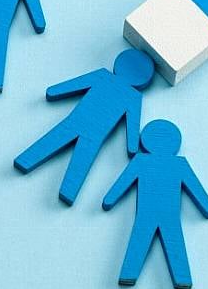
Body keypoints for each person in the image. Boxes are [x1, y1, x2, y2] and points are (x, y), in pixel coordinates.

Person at [14, 49, 154, 205]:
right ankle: (68, 192)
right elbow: (132, 126)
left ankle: (26, 160)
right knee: (81, 162)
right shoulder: (133, 96)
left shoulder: (103, 76)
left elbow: (73, 85)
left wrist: (53, 90)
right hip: (95, 134)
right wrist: (132, 146)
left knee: (52, 141)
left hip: (75, 122)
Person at [102, 119, 208, 289]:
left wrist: (110, 199)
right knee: (173, 241)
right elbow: (198, 191)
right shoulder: (177, 164)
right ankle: (181, 277)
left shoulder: (142, 161)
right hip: (167, 214)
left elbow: (120, 185)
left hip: (148, 213)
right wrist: (207, 206)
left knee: (141, 239)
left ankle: (129, 274)